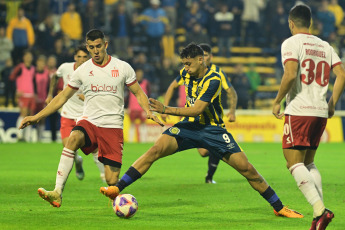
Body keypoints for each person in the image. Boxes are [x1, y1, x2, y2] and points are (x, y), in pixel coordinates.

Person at [100, 43, 303, 219]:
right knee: (155, 150)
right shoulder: (185, 73)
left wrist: (166, 109)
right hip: (188, 127)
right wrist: (165, 106)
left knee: (247, 168)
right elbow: (177, 92)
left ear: (200, 60)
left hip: (212, 129)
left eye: (188, 64)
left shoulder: (213, 79)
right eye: (183, 64)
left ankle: (279, 207)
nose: (185, 68)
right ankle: (118, 188)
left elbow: (198, 109)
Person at [19, 29, 163, 208]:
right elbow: (62, 97)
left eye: (99, 46)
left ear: (106, 45)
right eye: (91, 47)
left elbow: (138, 92)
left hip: (112, 127)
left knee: (112, 180)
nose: (95, 51)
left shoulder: (122, 67)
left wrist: (147, 110)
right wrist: (37, 116)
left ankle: (118, 201)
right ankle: (57, 192)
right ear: (87, 47)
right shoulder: (82, 71)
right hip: (90, 122)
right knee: (73, 139)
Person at [272, 4, 345, 230]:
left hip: (300, 110)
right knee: (309, 162)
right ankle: (319, 215)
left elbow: (290, 73)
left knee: (293, 163)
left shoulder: (291, 42)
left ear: (291, 23)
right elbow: (341, 74)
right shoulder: (325, 45)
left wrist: (277, 101)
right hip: (320, 111)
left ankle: (320, 210)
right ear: (310, 23)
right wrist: (332, 103)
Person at [162, 43, 237, 184]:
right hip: (194, 120)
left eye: (208, 55)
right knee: (203, 152)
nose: (206, 58)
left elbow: (231, 91)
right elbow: (173, 86)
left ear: (209, 57)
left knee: (216, 149)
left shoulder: (217, 73)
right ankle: (217, 149)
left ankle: (209, 176)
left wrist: (232, 111)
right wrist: (165, 106)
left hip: (212, 120)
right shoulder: (188, 70)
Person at [45, 45, 105, 181]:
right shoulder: (65, 68)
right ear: (74, 57)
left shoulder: (94, 72)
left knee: (94, 148)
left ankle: (104, 175)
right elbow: (55, 76)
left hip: (86, 116)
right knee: (69, 150)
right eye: (79, 57)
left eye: (85, 57)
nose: (82, 60)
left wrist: (88, 97)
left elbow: (102, 92)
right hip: (68, 115)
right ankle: (78, 162)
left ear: (88, 58)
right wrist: (50, 94)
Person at [10, 50, 35, 142]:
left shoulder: (33, 68)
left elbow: (33, 82)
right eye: (27, 56)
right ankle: (19, 135)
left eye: (30, 56)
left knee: (30, 116)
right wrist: (16, 91)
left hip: (31, 95)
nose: (29, 58)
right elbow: (11, 78)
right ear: (24, 57)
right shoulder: (20, 68)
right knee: (23, 114)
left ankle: (27, 137)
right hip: (23, 95)